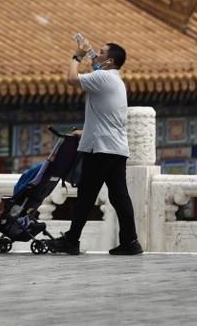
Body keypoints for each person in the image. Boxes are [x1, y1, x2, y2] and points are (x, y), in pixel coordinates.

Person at [47, 40, 143, 255]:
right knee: (119, 196)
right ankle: (130, 241)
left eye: (100, 52)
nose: (95, 55)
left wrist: (76, 56)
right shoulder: (115, 81)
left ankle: (71, 240)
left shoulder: (102, 77)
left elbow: (71, 79)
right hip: (115, 148)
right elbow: (107, 117)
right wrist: (85, 131)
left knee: (86, 194)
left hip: (100, 149)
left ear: (109, 61)